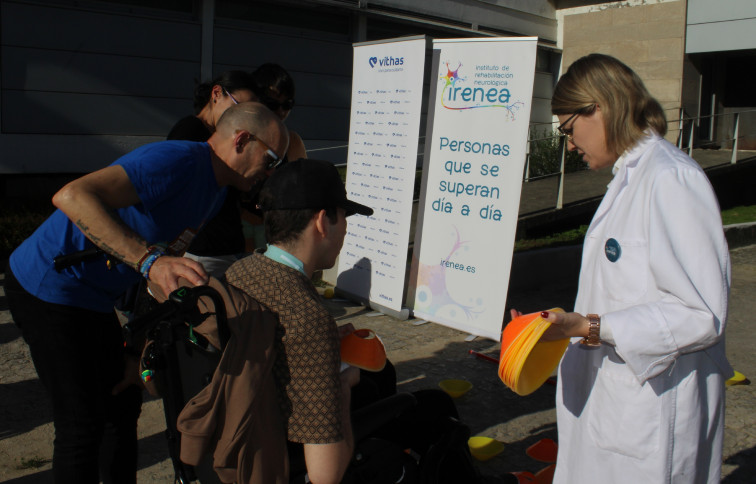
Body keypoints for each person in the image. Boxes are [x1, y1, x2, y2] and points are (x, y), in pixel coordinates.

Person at [3, 102, 288, 484]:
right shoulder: (176, 161)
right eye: (271, 159)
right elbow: (71, 196)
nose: (270, 172)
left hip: (91, 298)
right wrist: (149, 260)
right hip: (46, 286)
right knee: (81, 422)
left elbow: (162, 268)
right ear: (241, 140)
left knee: (122, 399)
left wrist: (139, 345)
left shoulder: (216, 192)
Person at [513, 53, 732, 483]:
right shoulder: (630, 179)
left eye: (568, 130)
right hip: (617, 404)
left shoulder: (671, 179)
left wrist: (589, 327)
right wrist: (554, 327)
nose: (570, 145)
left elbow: (701, 314)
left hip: (654, 412)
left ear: (600, 107)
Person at [168, 71, 262, 277]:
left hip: (228, 246)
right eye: (239, 106)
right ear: (217, 94)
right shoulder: (190, 132)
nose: (242, 118)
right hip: (204, 252)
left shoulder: (224, 135)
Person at [250, 63, 307, 161]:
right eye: (272, 104)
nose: (280, 111)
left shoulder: (292, 142)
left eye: (287, 104)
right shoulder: (238, 137)